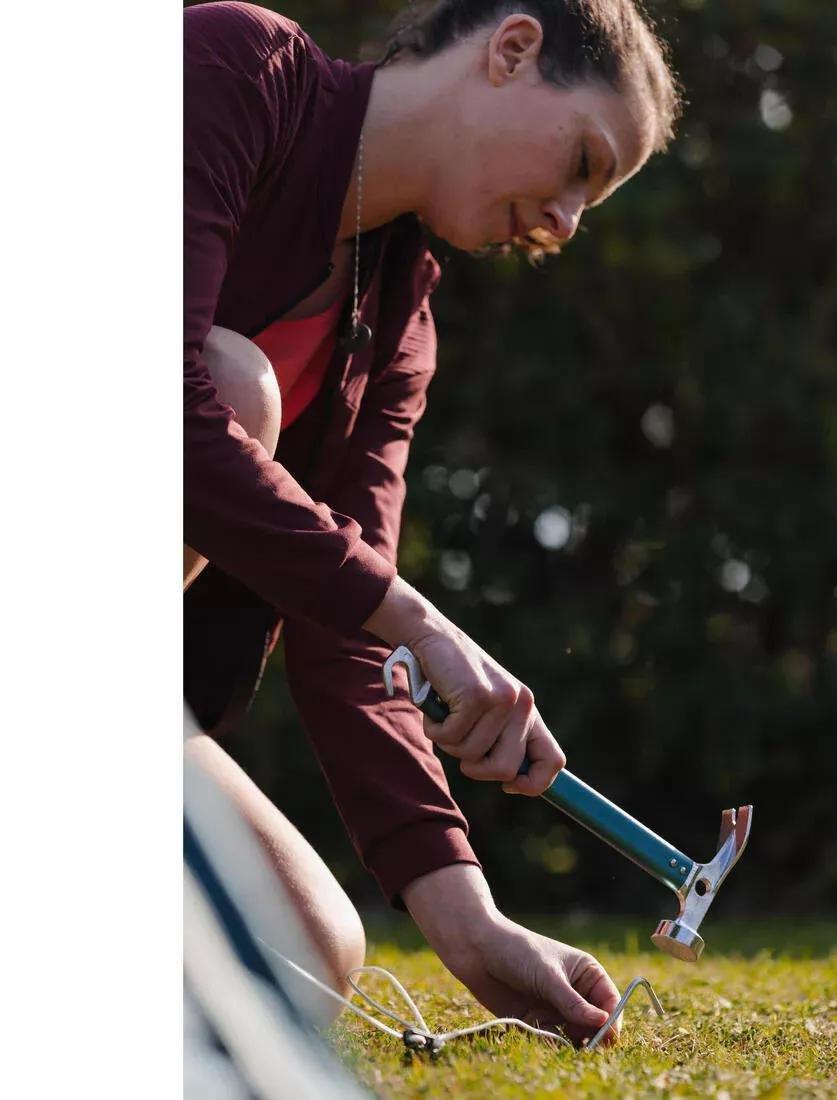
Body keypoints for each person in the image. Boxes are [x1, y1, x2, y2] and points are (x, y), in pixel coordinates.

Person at [184, 0, 680, 1045]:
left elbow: (348, 626)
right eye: (582, 162)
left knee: (307, 954)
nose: (567, 220)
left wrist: (473, 924)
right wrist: (416, 618)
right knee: (235, 389)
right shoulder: (237, 68)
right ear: (510, 50)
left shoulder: (398, 321)